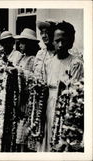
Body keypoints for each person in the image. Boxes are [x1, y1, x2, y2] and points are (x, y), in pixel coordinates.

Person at [40, 21, 84, 152]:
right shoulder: (48, 62)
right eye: (57, 41)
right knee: (48, 137)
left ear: (70, 42)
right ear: (52, 41)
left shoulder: (76, 63)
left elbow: (75, 91)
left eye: (63, 41)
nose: (60, 45)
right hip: (49, 104)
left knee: (61, 138)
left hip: (66, 106)